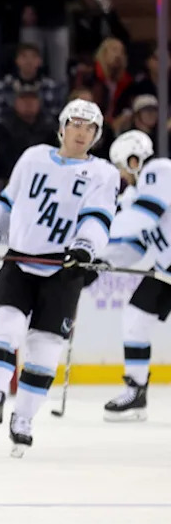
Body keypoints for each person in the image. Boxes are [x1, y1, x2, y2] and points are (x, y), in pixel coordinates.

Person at [0, 99, 120, 457]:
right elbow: (6, 203)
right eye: (76, 124)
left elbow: (98, 218)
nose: (81, 131)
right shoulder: (33, 157)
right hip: (19, 259)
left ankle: (24, 420)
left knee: (45, 347)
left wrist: (84, 248)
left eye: (89, 127)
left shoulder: (104, 174)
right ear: (62, 127)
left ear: (96, 136)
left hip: (64, 269)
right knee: (5, 324)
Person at [99, 130, 171, 421]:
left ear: (133, 159)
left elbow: (142, 218)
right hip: (166, 268)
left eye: (121, 167)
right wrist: (98, 261)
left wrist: (93, 233)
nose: (121, 176)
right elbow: (134, 247)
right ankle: (136, 392)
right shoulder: (136, 195)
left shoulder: (160, 171)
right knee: (135, 319)